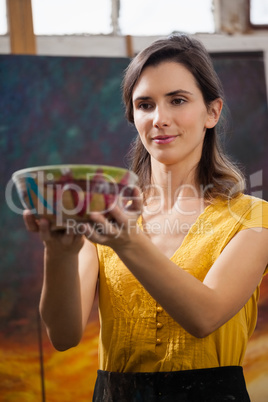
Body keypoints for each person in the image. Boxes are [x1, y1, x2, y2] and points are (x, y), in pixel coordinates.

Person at [24, 34, 268, 401]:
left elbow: (204, 316)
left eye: (178, 100)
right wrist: (57, 252)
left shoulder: (254, 218)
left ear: (212, 112)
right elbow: (63, 336)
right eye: (145, 104)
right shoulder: (103, 215)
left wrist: (124, 239)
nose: (160, 119)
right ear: (133, 116)